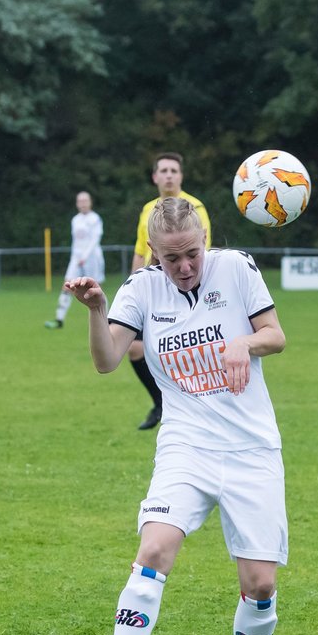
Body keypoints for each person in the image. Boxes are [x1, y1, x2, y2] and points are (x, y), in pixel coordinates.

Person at [65, 197, 287, 635]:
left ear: (204, 241)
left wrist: (244, 342)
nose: (184, 267)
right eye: (171, 259)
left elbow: (275, 335)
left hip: (252, 448)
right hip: (186, 445)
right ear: (154, 254)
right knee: (154, 548)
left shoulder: (235, 268)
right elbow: (106, 361)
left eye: (191, 254)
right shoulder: (140, 289)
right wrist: (96, 312)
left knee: (259, 585)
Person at [127, 153, 211, 429]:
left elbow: (201, 253)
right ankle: (161, 402)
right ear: (154, 177)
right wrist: (133, 290)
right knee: (135, 349)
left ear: (181, 176)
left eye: (174, 170)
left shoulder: (194, 206)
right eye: (163, 170)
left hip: (187, 291)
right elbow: (142, 251)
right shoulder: (148, 209)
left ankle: (191, 406)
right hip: (154, 295)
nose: (169, 175)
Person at [46, 191, 103, 330]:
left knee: (95, 289)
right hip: (77, 259)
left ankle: (105, 320)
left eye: (85, 200)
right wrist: (76, 258)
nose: (83, 203)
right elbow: (76, 242)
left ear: (90, 202)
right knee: (67, 285)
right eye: (80, 201)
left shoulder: (95, 218)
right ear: (77, 204)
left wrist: (85, 256)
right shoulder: (75, 220)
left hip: (92, 258)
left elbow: (95, 240)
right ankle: (59, 319)